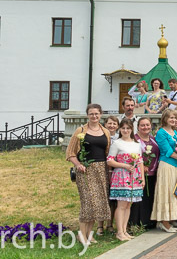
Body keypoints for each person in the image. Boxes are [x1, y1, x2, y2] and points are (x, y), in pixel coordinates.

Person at [66, 103, 111, 246]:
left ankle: (89, 234)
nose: (94, 116)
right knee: (87, 202)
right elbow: (70, 153)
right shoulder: (81, 131)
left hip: (101, 169)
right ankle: (81, 234)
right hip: (85, 170)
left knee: (97, 203)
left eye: (97, 113)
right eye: (91, 114)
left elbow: (107, 151)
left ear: (101, 114)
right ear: (87, 115)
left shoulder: (105, 131)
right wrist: (78, 164)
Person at [106, 118, 144, 242]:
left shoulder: (136, 144)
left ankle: (124, 230)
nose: (125, 130)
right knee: (121, 204)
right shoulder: (117, 143)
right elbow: (110, 160)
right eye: (123, 128)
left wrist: (142, 178)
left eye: (128, 128)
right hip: (121, 175)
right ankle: (119, 232)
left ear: (132, 129)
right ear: (120, 129)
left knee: (128, 205)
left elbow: (140, 162)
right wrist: (124, 165)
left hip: (134, 176)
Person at [129, 117, 159, 230]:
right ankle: (136, 222)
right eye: (142, 125)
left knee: (150, 197)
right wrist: (141, 166)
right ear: (138, 127)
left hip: (153, 172)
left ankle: (149, 222)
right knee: (139, 198)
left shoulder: (154, 139)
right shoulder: (134, 140)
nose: (145, 127)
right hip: (139, 173)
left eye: (147, 125)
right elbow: (131, 155)